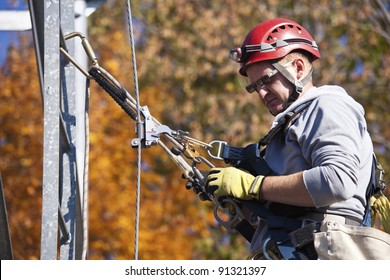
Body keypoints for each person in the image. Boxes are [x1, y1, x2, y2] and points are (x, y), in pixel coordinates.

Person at [203, 18, 389, 259]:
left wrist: (253, 187)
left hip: (324, 253)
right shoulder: (292, 122)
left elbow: (337, 179)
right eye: (254, 87)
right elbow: (290, 205)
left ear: (299, 68)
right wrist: (241, 200)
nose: (260, 92)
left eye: (267, 80)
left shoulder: (327, 106)